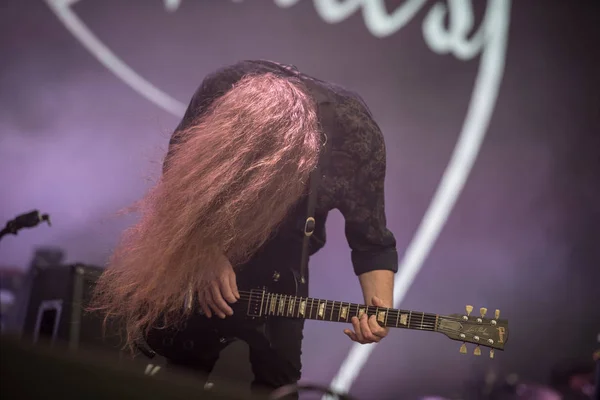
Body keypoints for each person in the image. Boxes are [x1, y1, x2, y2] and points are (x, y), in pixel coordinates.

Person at [91, 60, 398, 396]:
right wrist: (203, 250)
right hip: (209, 240)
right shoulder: (222, 89)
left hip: (285, 267)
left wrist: (378, 311)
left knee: (278, 385)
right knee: (178, 376)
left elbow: (372, 241)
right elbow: (177, 186)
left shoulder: (357, 140)